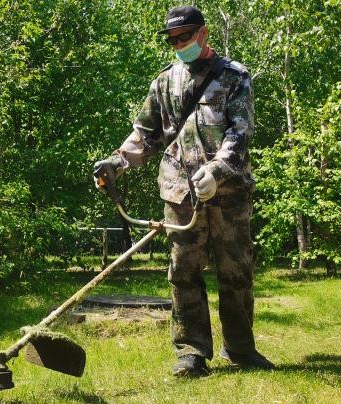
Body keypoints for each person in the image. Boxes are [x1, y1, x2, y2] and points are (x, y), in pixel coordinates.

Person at [93, 5, 274, 377]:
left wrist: (217, 171)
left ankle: (240, 349)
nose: (178, 44)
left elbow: (240, 133)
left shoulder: (234, 76)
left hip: (228, 192)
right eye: (172, 40)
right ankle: (191, 352)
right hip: (179, 191)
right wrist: (116, 162)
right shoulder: (164, 81)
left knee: (236, 270)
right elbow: (145, 135)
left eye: (185, 37)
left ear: (203, 33)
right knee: (183, 271)